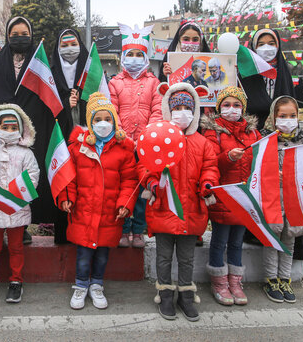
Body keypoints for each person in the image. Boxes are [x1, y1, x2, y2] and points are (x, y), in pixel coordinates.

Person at [142, 82, 219, 322]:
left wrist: (207, 184)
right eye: (178, 107)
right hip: (164, 208)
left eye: (188, 107)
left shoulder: (203, 142)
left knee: (186, 258)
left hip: (191, 211)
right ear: (168, 110)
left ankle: (186, 294)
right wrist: (152, 183)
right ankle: (165, 293)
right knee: (163, 256)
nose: (182, 112)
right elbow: (145, 166)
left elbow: (210, 168)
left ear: (195, 111)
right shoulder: (158, 136)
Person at [0, 16, 63, 244]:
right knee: (1, 179)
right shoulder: (0, 64)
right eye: (15, 35)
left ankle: (23, 225)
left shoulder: (39, 62)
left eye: (24, 34)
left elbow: (46, 96)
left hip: (30, 133)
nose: (20, 39)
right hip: (3, 133)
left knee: (25, 179)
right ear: (8, 37)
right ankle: (1, 225)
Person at [58, 92, 138, 310]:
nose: (103, 123)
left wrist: (124, 204)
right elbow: (69, 177)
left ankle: (97, 285)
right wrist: (67, 198)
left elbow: (130, 181)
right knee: (83, 255)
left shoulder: (124, 148)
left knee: (102, 254)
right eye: (98, 119)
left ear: (114, 120)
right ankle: (81, 285)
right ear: (90, 122)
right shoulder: (78, 147)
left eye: (107, 119)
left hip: (109, 213)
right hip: (84, 211)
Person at [201, 86, 260, 306]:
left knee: (237, 242)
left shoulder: (253, 132)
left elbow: (261, 159)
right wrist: (228, 157)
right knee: (219, 241)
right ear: (219, 108)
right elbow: (209, 162)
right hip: (224, 196)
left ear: (243, 108)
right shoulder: (212, 131)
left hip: (245, 198)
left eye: (236, 105)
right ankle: (218, 282)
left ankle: (235, 282)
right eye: (226, 105)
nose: (231, 109)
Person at [0, 103, 40, 304]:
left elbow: (33, 176)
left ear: (21, 129)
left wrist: (15, 196)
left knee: (16, 248)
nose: (10, 131)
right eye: (5, 127)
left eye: (14, 128)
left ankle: (16, 282)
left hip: (17, 209)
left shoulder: (26, 154)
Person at [109, 23, 162, 248]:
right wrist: (120, 133)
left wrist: (147, 136)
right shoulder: (114, 82)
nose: (133, 58)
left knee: (142, 185)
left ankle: (139, 228)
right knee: (123, 185)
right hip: (122, 143)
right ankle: (123, 226)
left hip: (145, 145)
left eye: (138, 54)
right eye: (129, 54)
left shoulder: (154, 82)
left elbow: (157, 110)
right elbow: (111, 110)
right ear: (123, 57)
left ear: (145, 57)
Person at [260, 95, 303, 304]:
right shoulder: (265, 140)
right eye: (282, 116)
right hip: (272, 198)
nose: (288, 119)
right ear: (274, 117)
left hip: (294, 198)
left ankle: (285, 278)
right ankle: (270, 278)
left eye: (292, 115)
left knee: (289, 238)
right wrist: (273, 173)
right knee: (272, 237)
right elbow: (258, 169)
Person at [241, 29, 294, 129]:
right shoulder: (246, 74)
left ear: (277, 46)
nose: (266, 48)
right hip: (252, 131)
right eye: (261, 44)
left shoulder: (284, 73)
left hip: (281, 130)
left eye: (271, 43)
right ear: (254, 47)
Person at [50, 28, 90, 138]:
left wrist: (81, 98)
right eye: (64, 46)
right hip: (62, 134)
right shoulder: (51, 73)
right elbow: (48, 106)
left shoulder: (90, 70)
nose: (70, 49)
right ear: (58, 48)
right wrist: (66, 104)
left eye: (73, 44)